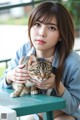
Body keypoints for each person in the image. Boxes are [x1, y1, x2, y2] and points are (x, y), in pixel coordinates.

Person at [0, 1, 80, 120]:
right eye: (37, 24)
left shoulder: (73, 62)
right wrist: (10, 77)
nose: (42, 33)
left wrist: (57, 85)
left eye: (52, 28)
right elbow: (2, 87)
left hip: (63, 115)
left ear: (61, 35)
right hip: (35, 113)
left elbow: (73, 106)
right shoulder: (23, 51)